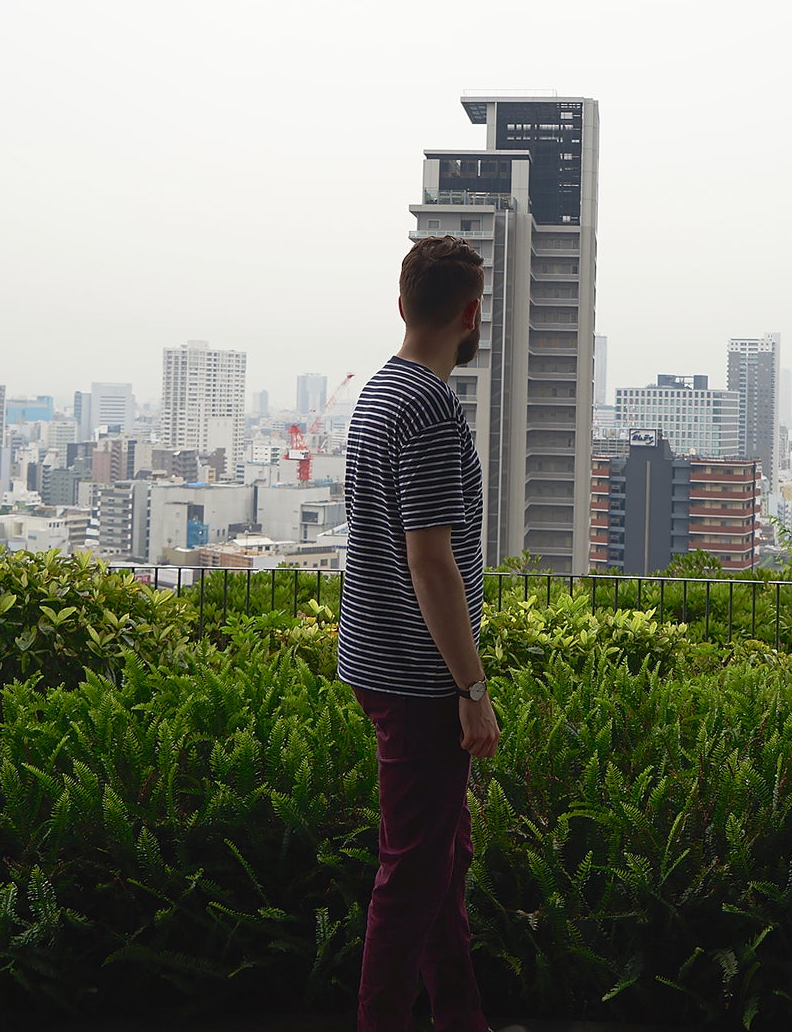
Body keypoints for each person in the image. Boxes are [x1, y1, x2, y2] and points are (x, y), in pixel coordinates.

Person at [337, 235, 510, 1032]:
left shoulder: (378, 392)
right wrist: (471, 691)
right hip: (419, 678)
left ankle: (460, 1018)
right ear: (471, 314)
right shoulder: (432, 411)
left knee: (441, 858)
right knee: (411, 875)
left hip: (379, 659)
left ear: (404, 304)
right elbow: (431, 562)